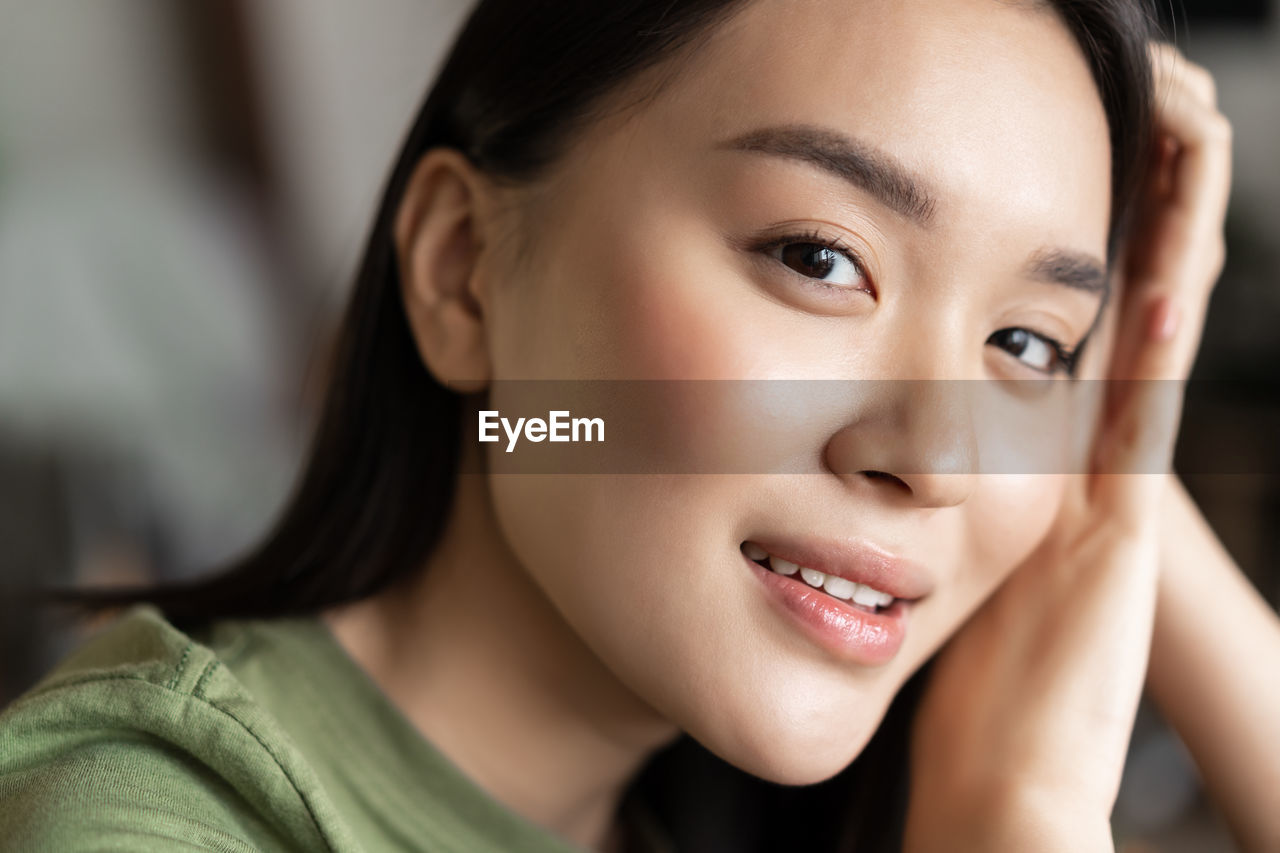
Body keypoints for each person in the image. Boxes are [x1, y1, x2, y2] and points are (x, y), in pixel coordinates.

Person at [2, 1, 1276, 851]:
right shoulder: (148, 819)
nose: (938, 458)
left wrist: (1121, 452)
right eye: (819, 259)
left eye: (1023, 345)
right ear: (463, 273)